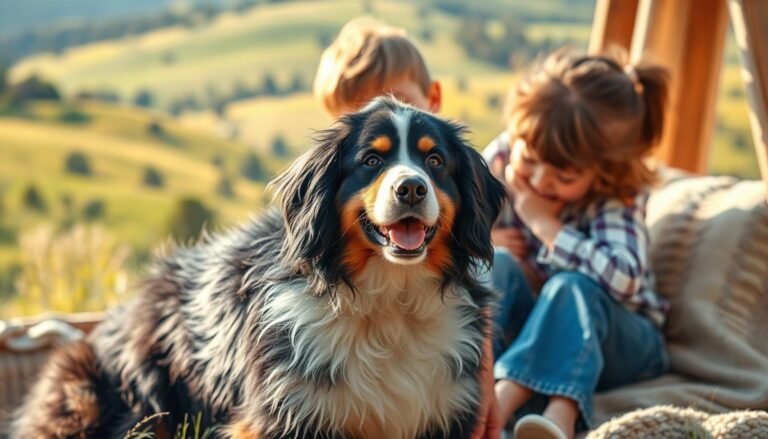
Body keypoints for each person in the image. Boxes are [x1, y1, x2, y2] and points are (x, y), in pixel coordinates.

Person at [313, 17, 501, 439]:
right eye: (371, 158)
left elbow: (478, 271)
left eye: (432, 162)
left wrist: (483, 364)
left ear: (433, 100)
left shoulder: (467, 174)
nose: (410, 182)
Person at [483, 49, 671, 439]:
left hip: (621, 343)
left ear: (603, 172)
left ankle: (542, 412)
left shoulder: (614, 199)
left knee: (571, 286)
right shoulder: (504, 158)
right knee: (494, 263)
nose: (539, 181)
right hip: (533, 333)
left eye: (564, 176)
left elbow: (625, 280)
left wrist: (545, 225)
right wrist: (483, 239)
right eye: (530, 159)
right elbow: (450, 223)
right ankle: (473, 381)